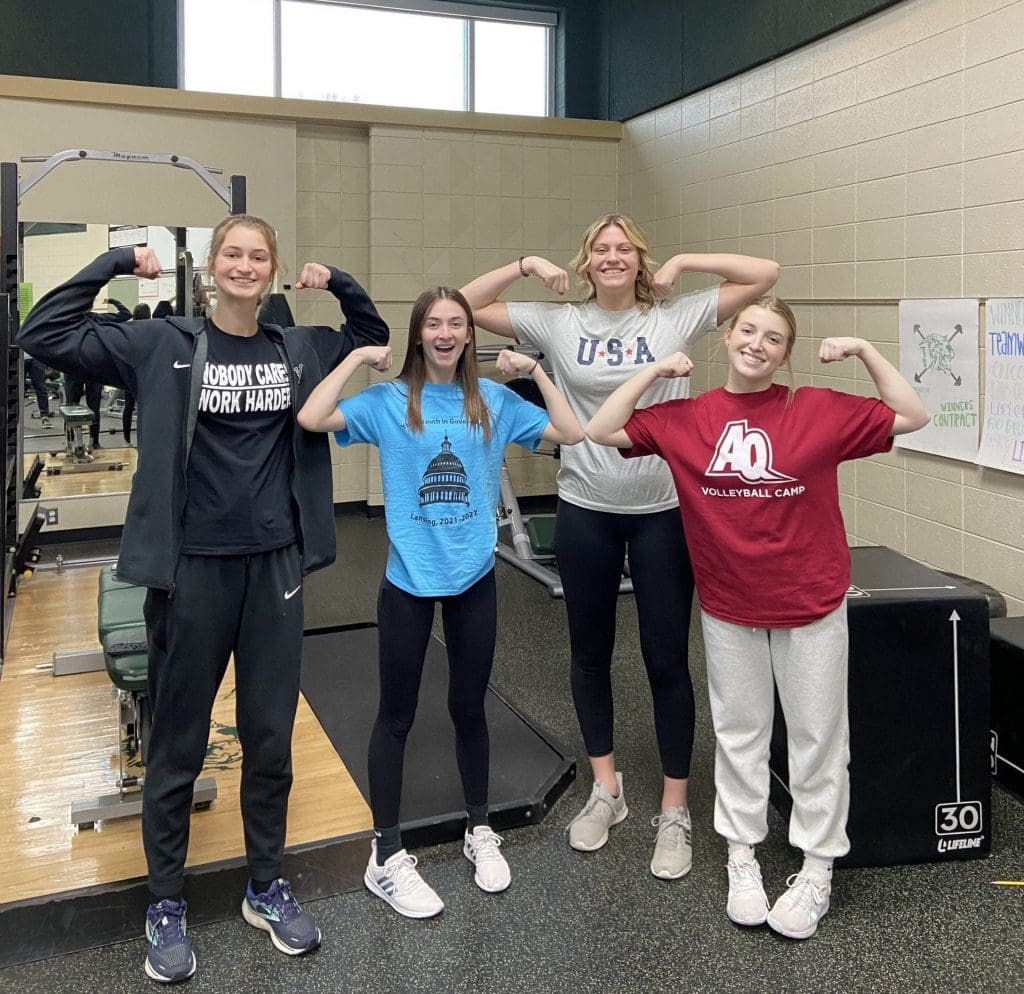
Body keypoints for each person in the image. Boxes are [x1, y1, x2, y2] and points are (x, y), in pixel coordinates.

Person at [17, 214, 389, 983]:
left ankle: (265, 885)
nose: (245, 266)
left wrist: (337, 282)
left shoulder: (298, 348)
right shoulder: (164, 344)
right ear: (212, 268)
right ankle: (165, 902)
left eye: (258, 256)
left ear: (272, 269)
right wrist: (119, 259)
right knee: (179, 740)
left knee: (270, 738)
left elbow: (371, 333)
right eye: (233, 254)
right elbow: (43, 331)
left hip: (274, 566)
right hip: (192, 571)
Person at [586, 297, 929, 938]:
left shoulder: (816, 410)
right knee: (740, 736)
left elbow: (913, 414)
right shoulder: (688, 418)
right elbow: (601, 429)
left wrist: (863, 351)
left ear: (785, 354)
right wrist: (653, 370)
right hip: (729, 606)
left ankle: (818, 869)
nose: (758, 344)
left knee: (818, 742)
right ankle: (741, 857)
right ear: (728, 338)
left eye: (774, 338)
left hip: (811, 604)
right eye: (748, 330)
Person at [459, 216, 779, 879]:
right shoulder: (558, 323)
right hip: (586, 509)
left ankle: (676, 808)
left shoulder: (675, 315)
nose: (611, 258)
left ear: (639, 261)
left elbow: (764, 276)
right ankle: (608, 790)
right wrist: (525, 262)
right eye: (600, 250)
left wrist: (686, 254)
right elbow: (459, 307)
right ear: (584, 263)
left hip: (664, 510)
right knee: (588, 652)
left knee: (666, 659)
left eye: (623, 249)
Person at [298, 286, 583, 918]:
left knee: (469, 708)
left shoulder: (494, 403)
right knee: (395, 717)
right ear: (419, 333)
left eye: (457, 323)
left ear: (468, 334)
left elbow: (572, 429)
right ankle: (387, 854)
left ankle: (479, 829)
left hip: (475, 579)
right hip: (407, 581)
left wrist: (534, 368)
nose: (447, 333)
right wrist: (352, 360)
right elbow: (313, 418)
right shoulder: (390, 400)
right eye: (435, 323)